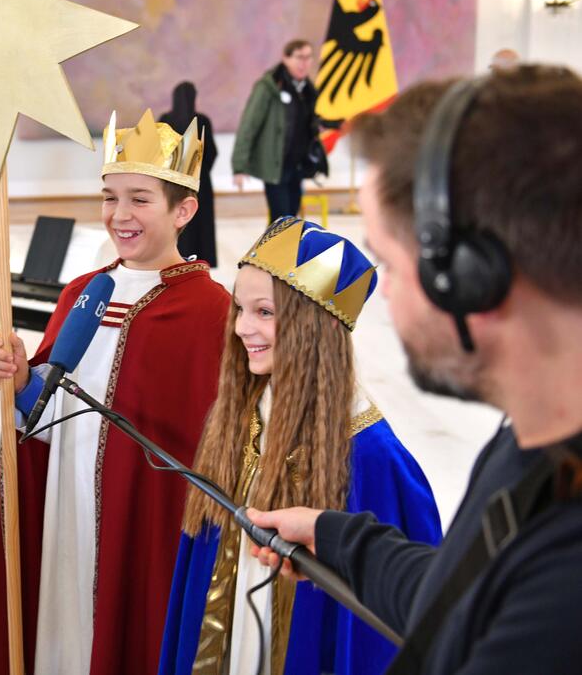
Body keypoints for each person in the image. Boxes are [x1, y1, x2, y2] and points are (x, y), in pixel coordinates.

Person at [247, 66, 582, 673]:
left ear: (472, 279)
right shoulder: (533, 445)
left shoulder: (564, 585)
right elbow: (463, 599)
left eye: (390, 266)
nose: (385, 301)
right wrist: (341, 539)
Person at [0, 109, 231, 675]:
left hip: (145, 524)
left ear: (184, 210)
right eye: (110, 197)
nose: (120, 215)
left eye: (140, 199)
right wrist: (19, 381)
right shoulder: (83, 293)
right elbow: (44, 410)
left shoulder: (209, 310)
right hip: (64, 508)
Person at [160, 217, 442, 675]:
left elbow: (387, 632)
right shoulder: (239, 418)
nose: (241, 328)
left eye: (264, 313)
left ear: (312, 327)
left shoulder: (371, 456)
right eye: (239, 309)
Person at [232, 40, 321, 222]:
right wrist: (239, 167)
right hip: (276, 168)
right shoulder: (268, 87)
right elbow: (249, 125)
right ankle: (277, 241)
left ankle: (287, 242)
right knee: (281, 219)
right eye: (299, 57)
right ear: (286, 59)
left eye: (308, 57)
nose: (304, 63)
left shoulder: (308, 90)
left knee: (292, 219)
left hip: (298, 167)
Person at [160, 81, 217, 266]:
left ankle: (174, 260)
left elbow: (160, 151)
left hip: (173, 180)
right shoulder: (202, 120)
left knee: (177, 218)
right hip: (200, 181)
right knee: (201, 223)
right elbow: (211, 152)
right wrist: (200, 170)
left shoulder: (165, 120)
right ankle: (200, 262)